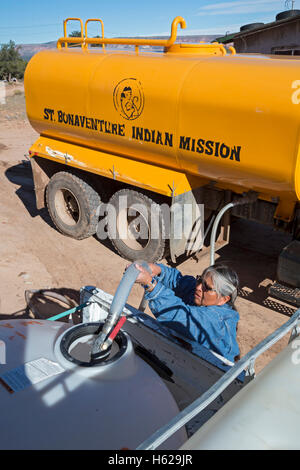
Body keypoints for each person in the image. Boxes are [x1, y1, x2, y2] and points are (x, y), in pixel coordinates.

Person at [133, 262, 240, 364]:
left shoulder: (215, 319)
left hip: (209, 373)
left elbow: (178, 316)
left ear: (224, 299)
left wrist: (150, 284)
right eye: (200, 280)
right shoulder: (203, 297)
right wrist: (159, 270)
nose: (198, 287)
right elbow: (180, 282)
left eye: (207, 288)